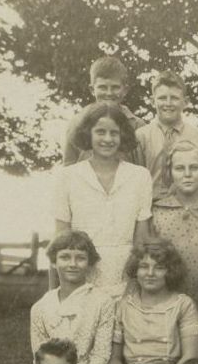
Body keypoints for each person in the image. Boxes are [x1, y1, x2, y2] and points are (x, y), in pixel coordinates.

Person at [54, 103, 152, 291]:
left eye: (114, 133)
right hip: (82, 276)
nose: (107, 139)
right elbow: (61, 240)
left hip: (125, 278)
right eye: (100, 132)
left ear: (122, 136)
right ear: (88, 134)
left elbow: (141, 240)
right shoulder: (67, 177)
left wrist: (133, 282)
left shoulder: (140, 176)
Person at [23, 230, 115, 364]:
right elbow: (39, 355)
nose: (72, 264)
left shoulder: (102, 302)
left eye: (80, 258)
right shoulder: (41, 307)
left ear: (89, 263)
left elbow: (101, 356)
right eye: (65, 257)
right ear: (54, 261)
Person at [151, 143, 198, 317]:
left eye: (194, 167)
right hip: (168, 304)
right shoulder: (158, 211)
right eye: (179, 168)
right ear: (169, 173)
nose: (187, 174)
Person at [134, 70, 198, 201]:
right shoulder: (141, 136)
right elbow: (135, 178)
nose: (168, 103)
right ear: (152, 101)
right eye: (162, 98)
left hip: (187, 206)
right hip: (150, 205)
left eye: (174, 98)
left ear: (185, 102)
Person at [62, 56, 146, 166]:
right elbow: (68, 168)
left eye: (115, 87)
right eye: (102, 87)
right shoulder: (77, 123)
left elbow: (143, 167)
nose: (109, 93)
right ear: (92, 89)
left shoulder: (138, 126)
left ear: (125, 90)